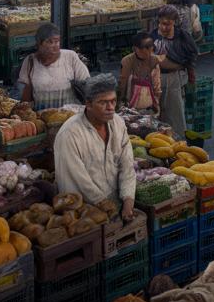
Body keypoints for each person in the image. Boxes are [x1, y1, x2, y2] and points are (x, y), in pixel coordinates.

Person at [51, 75, 136, 220]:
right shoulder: (70, 134)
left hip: (117, 205)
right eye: (103, 102)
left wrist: (128, 202)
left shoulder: (118, 123)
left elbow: (127, 166)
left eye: (113, 101)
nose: (110, 108)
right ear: (88, 104)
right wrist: (104, 205)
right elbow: (79, 181)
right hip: (84, 214)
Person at [18, 23, 91, 109]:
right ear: (39, 44)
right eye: (50, 42)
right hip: (41, 115)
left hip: (69, 114)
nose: (55, 46)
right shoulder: (30, 61)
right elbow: (25, 98)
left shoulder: (70, 57)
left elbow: (87, 85)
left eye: (57, 41)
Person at [151, 5, 197, 135]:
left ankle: (178, 139)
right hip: (156, 78)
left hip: (174, 79)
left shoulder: (182, 37)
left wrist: (190, 76)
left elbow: (191, 56)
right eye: (162, 23)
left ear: (174, 22)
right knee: (157, 113)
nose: (164, 27)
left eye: (168, 24)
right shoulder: (153, 36)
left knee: (175, 113)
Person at [117, 32, 161, 113]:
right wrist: (120, 102)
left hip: (149, 104)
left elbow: (156, 84)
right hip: (130, 104)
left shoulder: (154, 60)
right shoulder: (127, 61)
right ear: (135, 49)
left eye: (150, 47)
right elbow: (122, 83)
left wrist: (156, 102)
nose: (148, 50)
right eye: (145, 47)